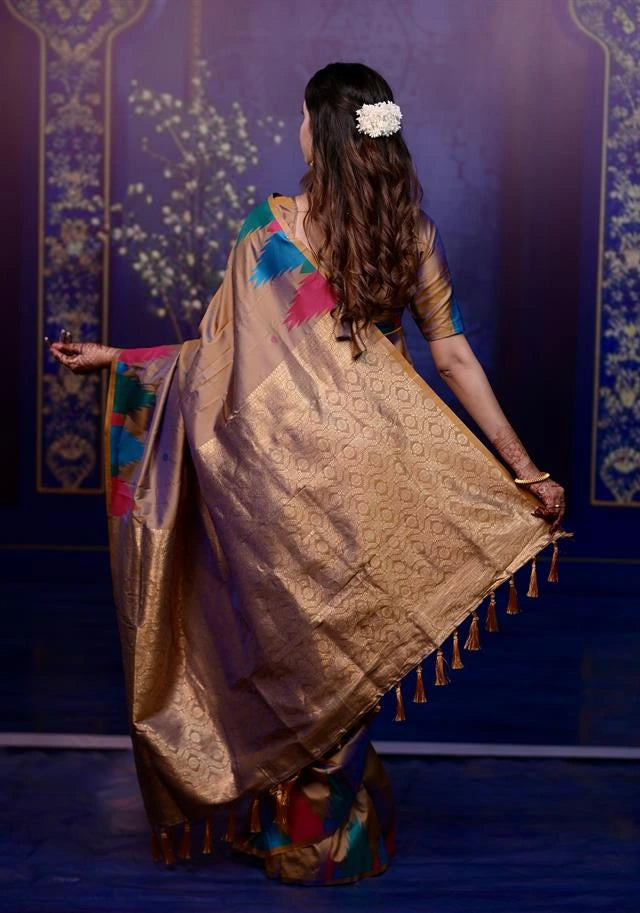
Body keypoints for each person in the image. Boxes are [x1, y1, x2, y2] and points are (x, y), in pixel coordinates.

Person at [48, 62, 567, 886]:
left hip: (290, 483)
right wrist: (525, 468)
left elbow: (225, 367)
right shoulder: (412, 231)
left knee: (302, 644)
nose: (292, 131)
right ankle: (331, 831)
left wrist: (123, 362)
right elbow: (454, 353)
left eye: (300, 118)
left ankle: (302, 829)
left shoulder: (273, 229)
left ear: (321, 134)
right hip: (380, 478)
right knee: (353, 648)